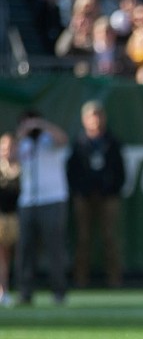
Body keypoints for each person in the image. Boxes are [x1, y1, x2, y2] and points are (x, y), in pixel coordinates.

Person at [66, 101, 126, 288]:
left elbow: (120, 171)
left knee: (110, 238)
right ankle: (80, 280)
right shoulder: (79, 143)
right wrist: (80, 190)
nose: (95, 120)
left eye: (98, 115)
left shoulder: (112, 141)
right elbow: (72, 171)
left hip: (108, 197)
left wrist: (111, 189)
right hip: (84, 197)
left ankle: (115, 280)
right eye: (92, 116)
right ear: (84, 119)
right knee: (83, 239)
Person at [14, 110, 70, 305]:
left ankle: (58, 291)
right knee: (25, 249)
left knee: (54, 248)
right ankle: (25, 292)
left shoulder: (49, 140)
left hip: (53, 199)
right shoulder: (24, 144)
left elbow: (63, 139)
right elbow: (11, 157)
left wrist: (42, 125)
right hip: (29, 201)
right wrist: (22, 134)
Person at [0, 133, 21, 306]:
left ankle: (20, 290)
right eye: (5, 147)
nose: (8, 151)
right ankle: (3, 290)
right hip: (1, 218)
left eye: (11, 147)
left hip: (17, 218)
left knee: (11, 256)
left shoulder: (24, 167)